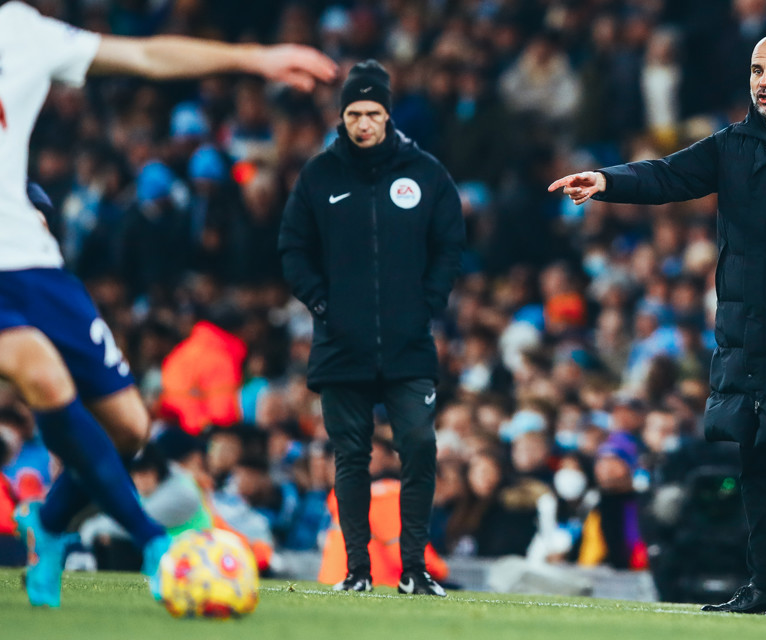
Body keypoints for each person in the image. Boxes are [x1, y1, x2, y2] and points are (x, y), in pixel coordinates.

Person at [0, 0, 336, 608]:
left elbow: (146, 54)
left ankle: (48, 527)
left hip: (29, 257)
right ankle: (156, 542)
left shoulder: (19, 30)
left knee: (128, 427)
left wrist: (253, 57)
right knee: (41, 375)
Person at [550, 33, 766, 618]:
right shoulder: (734, 144)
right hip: (748, 335)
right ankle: (765, 587)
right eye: (757, 70)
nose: (765, 81)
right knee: (755, 462)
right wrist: (606, 180)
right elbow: (668, 176)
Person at [279, 59, 465, 596]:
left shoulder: (426, 172)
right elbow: (294, 247)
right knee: (351, 456)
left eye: (374, 112)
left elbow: (450, 243)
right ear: (343, 116)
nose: (364, 123)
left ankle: (414, 569)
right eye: (355, 113)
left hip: (408, 344)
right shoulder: (319, 175)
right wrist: (322, 305)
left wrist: (427, 301)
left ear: (388, 115)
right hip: (341, 346)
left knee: (419, 446)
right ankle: (356, 569)